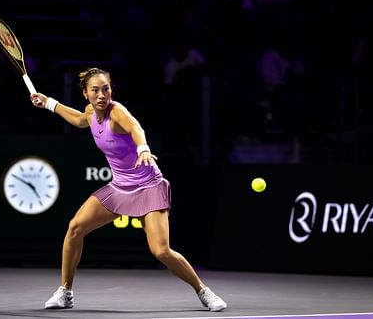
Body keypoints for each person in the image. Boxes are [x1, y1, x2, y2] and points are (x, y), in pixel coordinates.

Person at [30, 67, 227, 312]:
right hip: (119, 187)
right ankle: (65, 292)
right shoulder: (91, 112)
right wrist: (48, 103)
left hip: (148, 187)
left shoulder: (117, 112)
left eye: (106, 88)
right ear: (86, 94)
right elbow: (80, 120)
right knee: (75, 228)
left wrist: (143, 148)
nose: (102, 94)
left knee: (161, 251)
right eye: (95, 90)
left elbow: (135, 128)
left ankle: (204, 291)